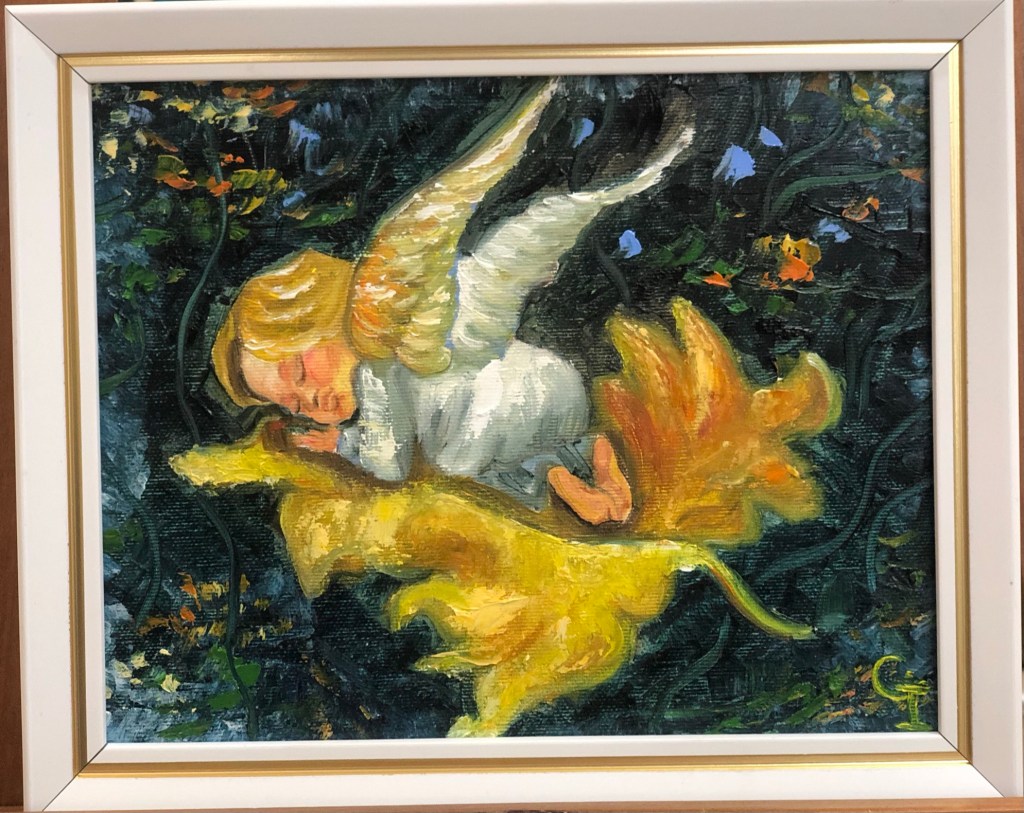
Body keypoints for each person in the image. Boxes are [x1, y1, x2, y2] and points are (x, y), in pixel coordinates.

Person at [210, 79, 695, 525]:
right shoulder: (433, 308)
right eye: (293, 405)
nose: (310, 402)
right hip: (554, 387)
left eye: (298, 372)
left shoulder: (377, 358)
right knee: (475, 442)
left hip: (501, 415)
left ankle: (559, 474)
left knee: (455, 466)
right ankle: (591, 461)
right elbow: (519, 244)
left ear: (320, 316)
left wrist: (343, 446)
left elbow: (388, 462)